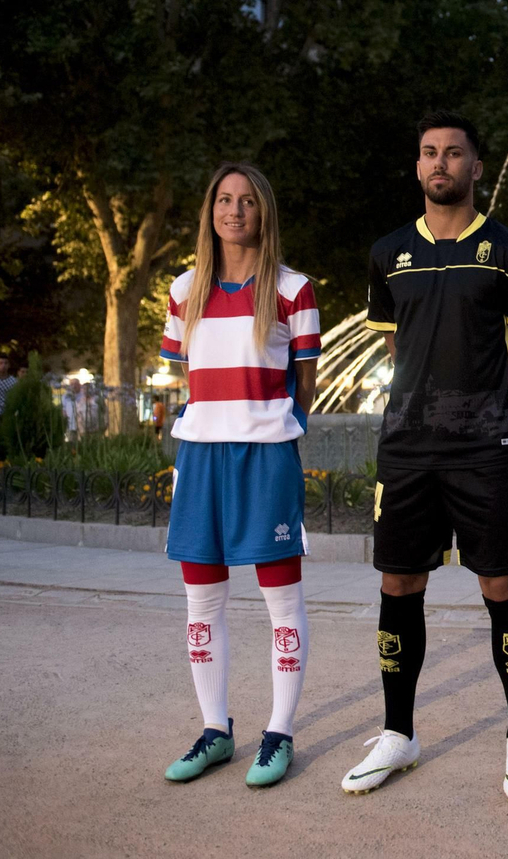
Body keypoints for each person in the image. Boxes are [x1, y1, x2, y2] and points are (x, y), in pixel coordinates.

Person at [340, 110, 508, 802]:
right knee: (399, 587)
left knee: (502, 588)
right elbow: (398, 347)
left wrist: (478, 405)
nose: (440, 164)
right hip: (406, 449)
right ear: (418, 165)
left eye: (454, 154)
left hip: (485, 450)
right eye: (429, 153)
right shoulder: (387, 252)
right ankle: (399, 733)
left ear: (477, 168)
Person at [158, 162, 320, 789]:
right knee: (202, 601)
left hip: (267, 456)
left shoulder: (293, 290)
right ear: (210, 210)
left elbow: (305, 383)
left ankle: (278, 732)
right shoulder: (184, 289)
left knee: (281, 600)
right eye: (223, 200)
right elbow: (182, 371)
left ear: (264, 211)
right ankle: (215, 732)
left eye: (247, 201)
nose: (234, 211)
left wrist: (269, 422)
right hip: (200, 456)